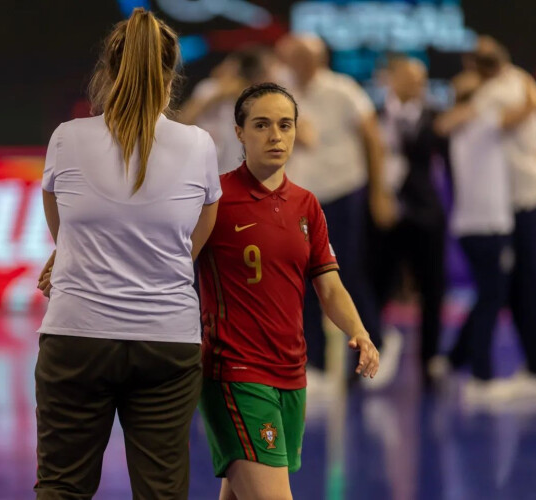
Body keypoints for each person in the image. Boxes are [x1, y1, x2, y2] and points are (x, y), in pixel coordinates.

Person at [33, 9, 221, 499]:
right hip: (168, 343)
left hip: (76, 339)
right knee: (161, 492)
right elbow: (202, 227)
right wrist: (167, 262)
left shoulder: (67, 138)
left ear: (107, 73)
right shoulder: (199, 144)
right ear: (170, 77)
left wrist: (71, 256)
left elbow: (61, 222)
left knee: (61, 488)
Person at [197, 82, 380, 500]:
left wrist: (361, 332)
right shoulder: (214, 198)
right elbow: (160, 251)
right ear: (239, 132)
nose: (275, 136)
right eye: (261, 125)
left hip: (291, 374)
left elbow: (329, 286)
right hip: (235, 373)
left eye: (285, 125)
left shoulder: (306, 205)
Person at [276, 35, 400, 391]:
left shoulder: (342, 90)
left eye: (304, 56)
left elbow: (372, 140)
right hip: (300, 198)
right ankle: (314, 364)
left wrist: (379, 193)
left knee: (343, 274)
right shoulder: (280, 91)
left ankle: (375, 345)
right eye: (293, 55)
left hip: (343, 193)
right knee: (302, 277)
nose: (297, 62)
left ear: (320, 59)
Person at [435, 71, 517, 404]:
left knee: (489, 294)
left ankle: (455, 358)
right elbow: (526, 107)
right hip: (486, 225)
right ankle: (482, 377)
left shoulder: (462, 129)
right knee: (492, 297)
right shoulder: (482, 124)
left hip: (474, 225)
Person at [373, 57, 447, 388]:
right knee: (375, 287)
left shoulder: (436, 118)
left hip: (425, 214)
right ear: (391, 78)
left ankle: (429, 361)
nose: (417, 84)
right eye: (408, 77)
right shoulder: (373, 116)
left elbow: (450, 164)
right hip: (383, 214)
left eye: (422, 79)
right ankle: (367, 356)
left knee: (432, 288)